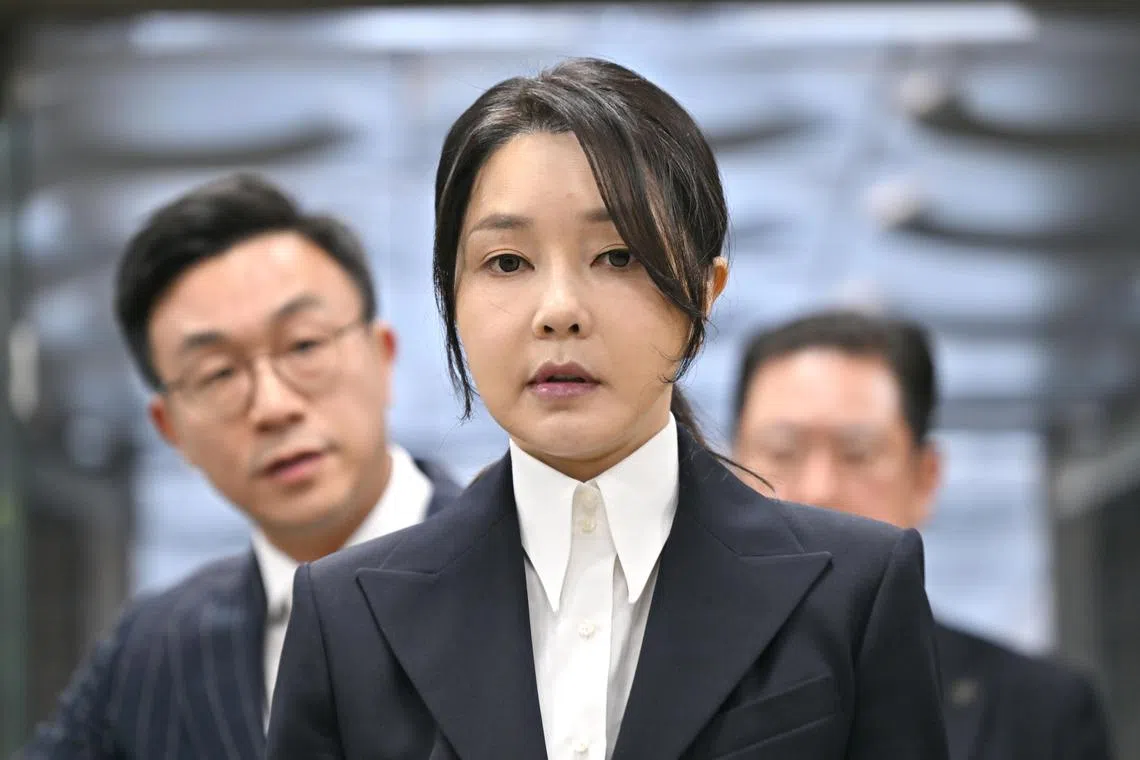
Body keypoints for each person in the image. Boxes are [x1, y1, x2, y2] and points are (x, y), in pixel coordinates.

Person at [266, 58, 949, 760]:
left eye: (619, 256)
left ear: (706, 292)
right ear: (452, 298)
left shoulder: (853, 590)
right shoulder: (348, 615)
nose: (559, 310)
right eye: (506, 262)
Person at [21, 174, 459, 759]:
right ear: (172, 430)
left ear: (382, 359)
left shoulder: (528, 575)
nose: (273, 407)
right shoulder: (152, 651)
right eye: (218, 375)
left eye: (304, 346)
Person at [731, 308, 1114, 760]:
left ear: (924, 479)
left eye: (858, 453)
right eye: (782, 451)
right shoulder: (660, 674)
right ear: (729, 472)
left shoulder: (1041, 713)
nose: (819, 490)